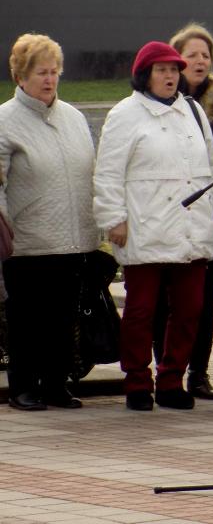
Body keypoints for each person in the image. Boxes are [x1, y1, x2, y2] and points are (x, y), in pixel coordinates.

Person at [94, 41, 213, 411]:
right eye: (162, 70)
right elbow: (108, 172)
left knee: (189, 310)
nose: (170, 76)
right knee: (141, 311)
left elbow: (211, 167)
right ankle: (137, 380)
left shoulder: (194, 111)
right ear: (145, 74)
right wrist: (113, 218)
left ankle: (172, 380)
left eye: (174, 69)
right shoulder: (124, 114)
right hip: (145, 225)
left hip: (191, 226)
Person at [0, 34, 101, 411]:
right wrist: (6, 231)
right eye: (40, 72)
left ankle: (57, 383)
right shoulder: (5, 121)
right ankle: (23, 387)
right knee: (26, 320)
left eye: (54, 71)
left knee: (63, 319)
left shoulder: (73, 118)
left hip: (73, 239)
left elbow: (89, 174)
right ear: (20, 76)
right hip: (26, 241)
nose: (49, 79)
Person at [149, 23, 213, 401]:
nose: (199, 60)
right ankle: (165, 368)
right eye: (192, 54)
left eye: (206, 54)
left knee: (203, 298)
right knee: (162, 299)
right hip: (164, 215)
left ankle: (198, 373)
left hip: (207, 217)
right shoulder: (153, 103)